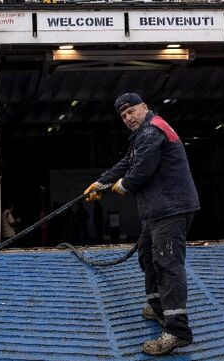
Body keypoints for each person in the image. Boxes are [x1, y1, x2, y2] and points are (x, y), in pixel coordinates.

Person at [84, 93, 199, 356]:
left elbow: (142, 170)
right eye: (123, 116)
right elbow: (128, 162)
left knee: (168, 266)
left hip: (171, 210)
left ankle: (177, 331)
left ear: (144, 107)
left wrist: (123, 184)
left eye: (131, 111)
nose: (128, 118)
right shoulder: (143, 134)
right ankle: (158, 308)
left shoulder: (152, 131)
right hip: (157, 211)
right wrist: (102, 181)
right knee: (147, 256)